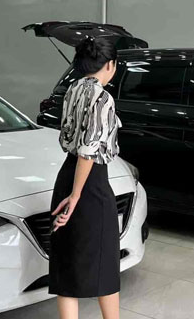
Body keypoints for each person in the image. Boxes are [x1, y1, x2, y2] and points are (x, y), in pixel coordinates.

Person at [49, 36, 121, 319]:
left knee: (67, 265)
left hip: (67, 174)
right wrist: (76, 196)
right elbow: (88, 152)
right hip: (90, 185)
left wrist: (70, 191)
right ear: (110, 65)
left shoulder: (72, 89)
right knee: (105, 263)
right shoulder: (103, 98)